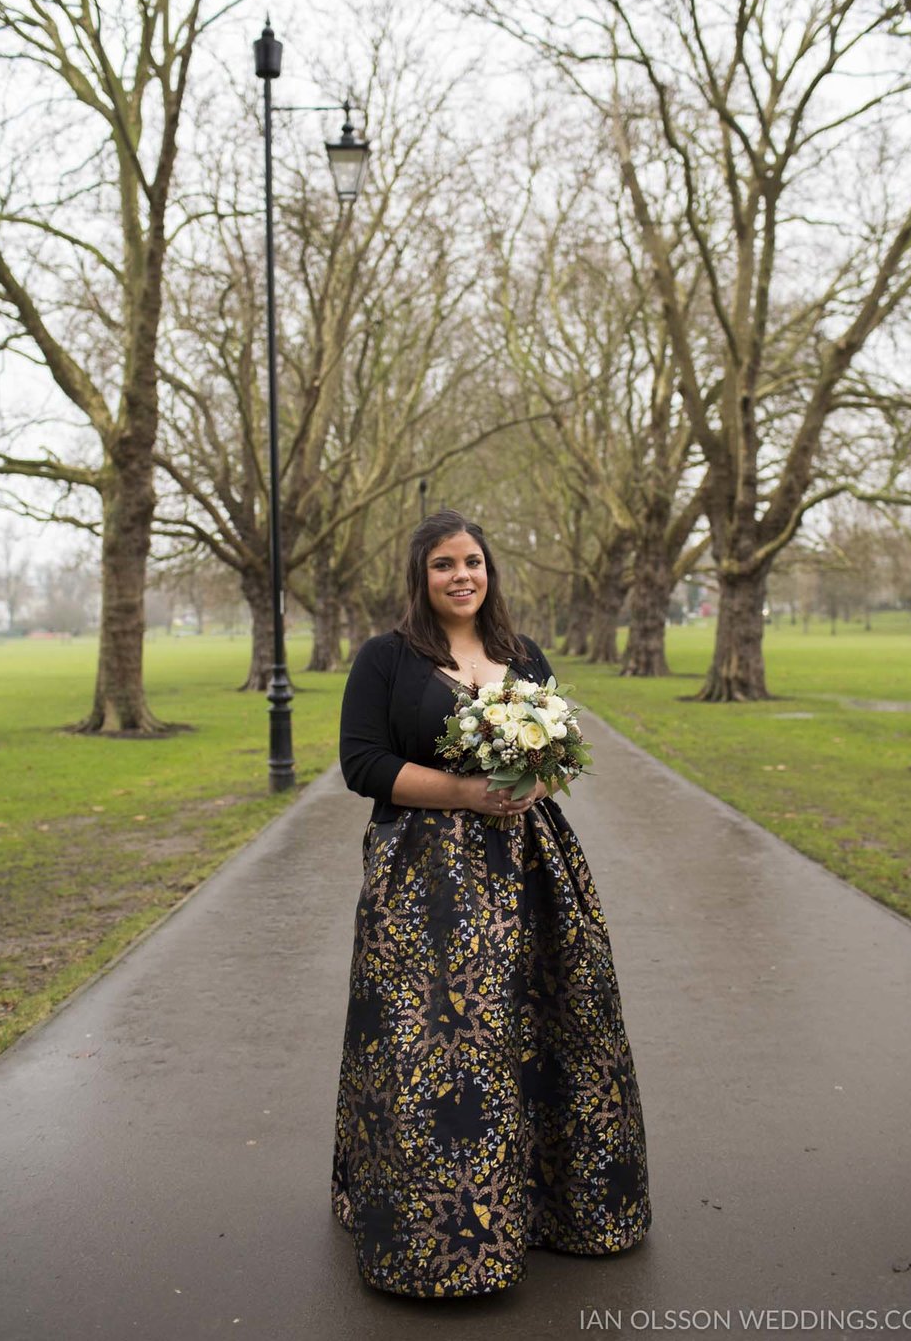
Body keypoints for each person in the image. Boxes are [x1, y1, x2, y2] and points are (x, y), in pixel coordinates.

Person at [330, 509, 652, 1298]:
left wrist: (535, 779)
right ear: (422, 576)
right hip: (424, 882)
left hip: (532, 872)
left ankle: (556, 1206)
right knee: (432, 1045)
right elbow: (362, 762)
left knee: (552, 1026)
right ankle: (432, 1234)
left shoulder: (523, 655)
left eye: (473, 560)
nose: (461, 575)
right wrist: (467, 795)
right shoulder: (387, 659)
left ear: (490, 570)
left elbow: (556, 753)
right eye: (444, 564)